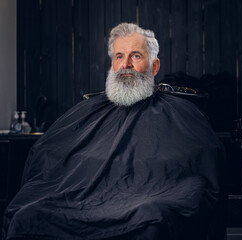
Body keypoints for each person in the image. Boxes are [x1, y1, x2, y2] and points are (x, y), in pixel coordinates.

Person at [2, 23, 225, 240]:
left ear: (154, 66)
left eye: (136, 56)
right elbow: (48, 157)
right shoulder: (88, 110)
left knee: (150, 217)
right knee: (30, 214)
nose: (126, 64)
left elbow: (198, 166)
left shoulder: (178, 113)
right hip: (79, 198)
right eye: (119, 56)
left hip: (147, 200)